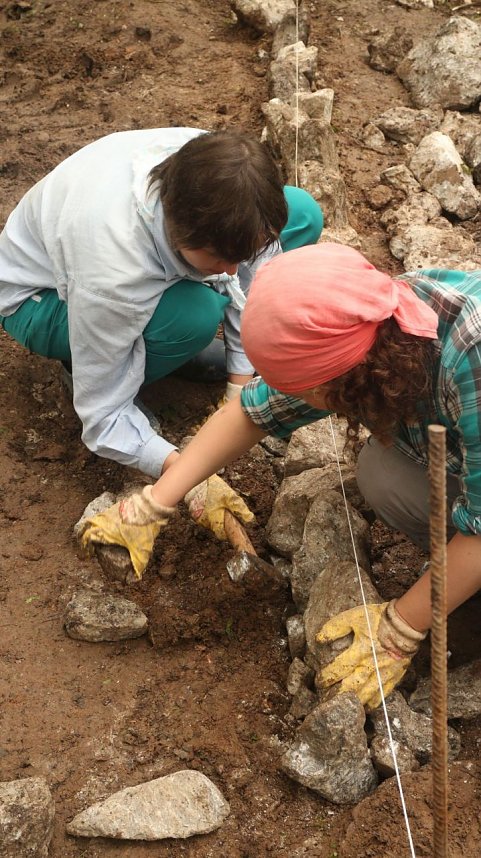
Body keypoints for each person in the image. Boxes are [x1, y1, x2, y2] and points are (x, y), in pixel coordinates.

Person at [113, 241, 481, 710]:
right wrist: (155, 501)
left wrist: (402, 626)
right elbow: (251, 412)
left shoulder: (470, 356)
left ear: (339, 377)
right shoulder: (368, 322)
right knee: (381, 473)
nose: (289, 397)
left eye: (298, 390)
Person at [0, 127, 323, 478]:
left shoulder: (213, 167)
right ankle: (81, 363)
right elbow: (102, 416)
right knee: (194, 315)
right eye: (219, 258)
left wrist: (239, 382)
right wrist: (185, 471)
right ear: (180, 230)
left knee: (303, 214)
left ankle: (159, 345)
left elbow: (245, 272)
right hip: (38, 301)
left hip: (102, 268)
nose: (232, 271)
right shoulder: (114, 272)